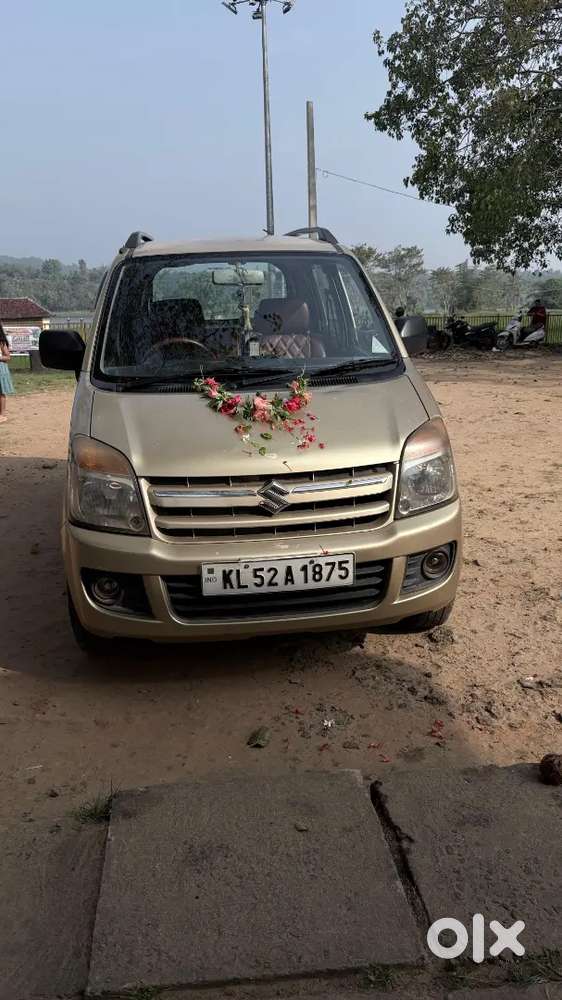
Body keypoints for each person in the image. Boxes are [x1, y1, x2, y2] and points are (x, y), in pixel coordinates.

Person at [0, 322, 15, 423]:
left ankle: (2, 414)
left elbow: (8, 356)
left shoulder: (1, 342)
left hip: (0, 369)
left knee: (1, 392)